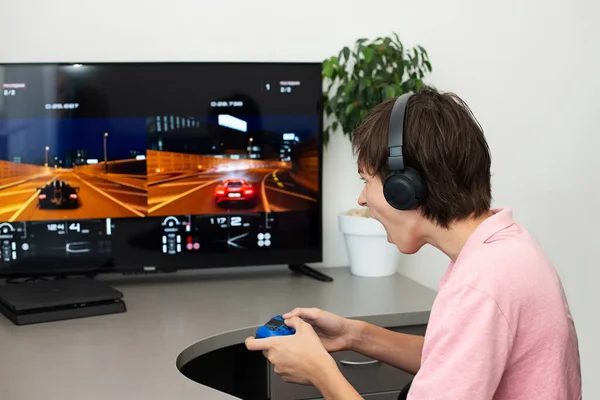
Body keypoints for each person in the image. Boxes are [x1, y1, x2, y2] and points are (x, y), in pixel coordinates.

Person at [245, 90, 582, 399]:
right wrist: (355, 335)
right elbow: (457, 359)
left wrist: (319, 371)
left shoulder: (480, 285)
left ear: (404, 188)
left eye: (366, 181)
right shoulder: (505, 248)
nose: (361, 198)